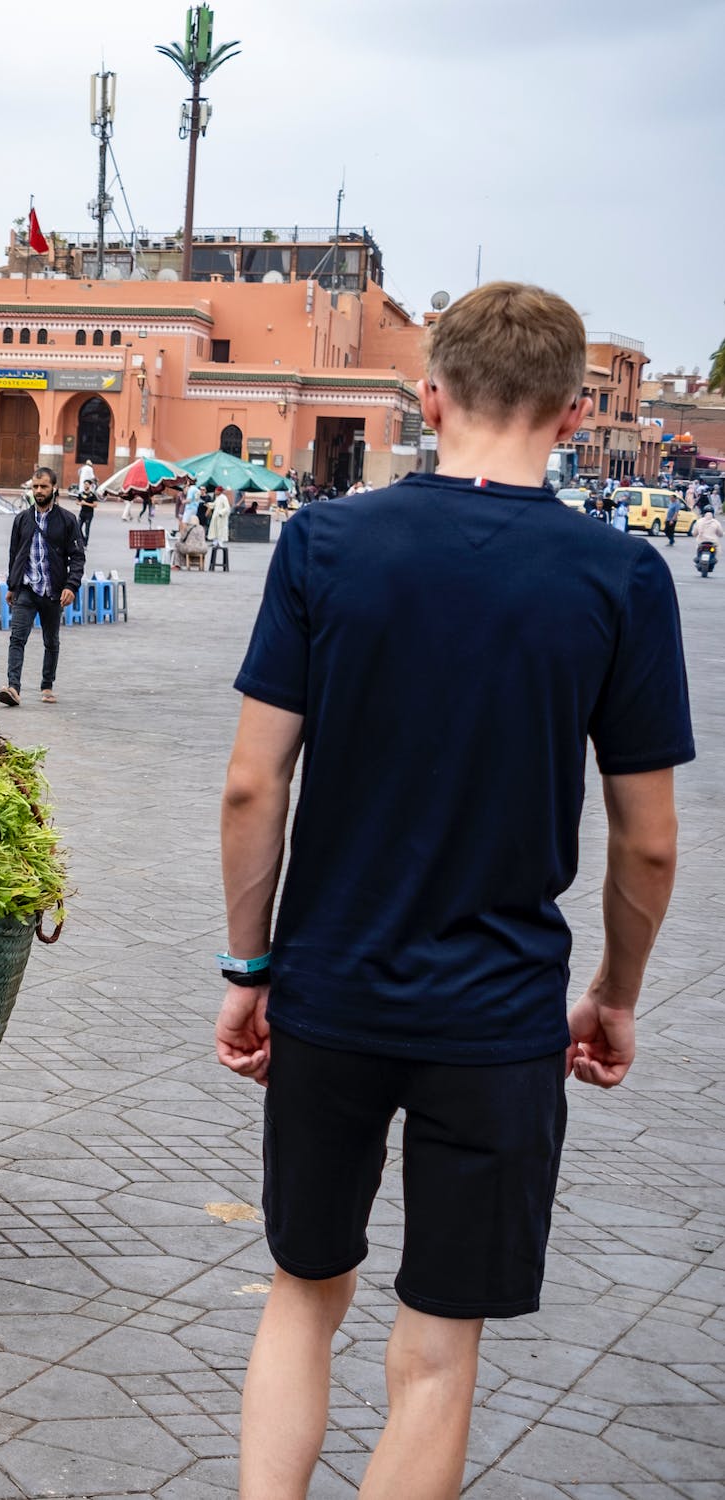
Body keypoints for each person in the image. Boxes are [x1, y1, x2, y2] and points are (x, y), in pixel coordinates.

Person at [217, 281, 691, 1500]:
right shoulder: (621, 577)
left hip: (329, 994)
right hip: (498, 1018)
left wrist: (250, 967)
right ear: (576, 413)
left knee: (302, 1294)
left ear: (430, 396)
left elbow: (252, 787)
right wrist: (615, 993)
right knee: (439, 1346)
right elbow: (647, 844)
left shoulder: (326, 544)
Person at [0, 467, 84, 708]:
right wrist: (12, 586)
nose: (38, 491)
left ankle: (47, 685)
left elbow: (77, 556)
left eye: (43, 486)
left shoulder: (67, 520)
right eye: (35, 486)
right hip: (26, 590)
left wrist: (71, 586)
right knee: (17, 638)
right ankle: (13, 687)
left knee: (51, 641)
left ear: (54, 488)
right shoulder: (22, 519)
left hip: (53, 592)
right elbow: (15, 555)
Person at [77, 467, 98, 542]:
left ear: (89, 485)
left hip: (89, 513)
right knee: (78, 527)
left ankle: (85, 542)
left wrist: (85, 503)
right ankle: (82, 540)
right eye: (84, 484)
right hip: (82, 513)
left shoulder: (92, 495)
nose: (85, 486)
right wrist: (80, 503)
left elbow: (95, 505)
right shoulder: (81, 494)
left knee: (87, 529)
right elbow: (77, 502)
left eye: (86, 484)